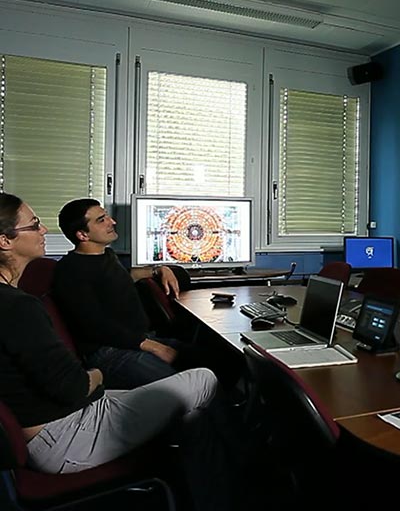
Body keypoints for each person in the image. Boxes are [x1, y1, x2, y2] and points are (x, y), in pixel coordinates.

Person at [0, 193, 241, 510]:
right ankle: (247, 455)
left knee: (194, 418)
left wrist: (157, 269)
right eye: (34, 225)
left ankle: (222, 496)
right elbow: (73, 386)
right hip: (63, 436)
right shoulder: (19, 307)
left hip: (67, 419)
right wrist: (97, 375)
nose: (43, 230)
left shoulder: (15, 300)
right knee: (203, 380)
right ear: (5, 240)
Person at [51, 198, 200, 389]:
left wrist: (158, 269)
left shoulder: (106, 256)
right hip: (109, 351)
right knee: (184, 388)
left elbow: (124, 276)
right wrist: (155, 347)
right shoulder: (70, 271)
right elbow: (95, 326)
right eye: (101, 220)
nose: (112, 222)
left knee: (220, 358)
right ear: (82, 235)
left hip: (138, 340)